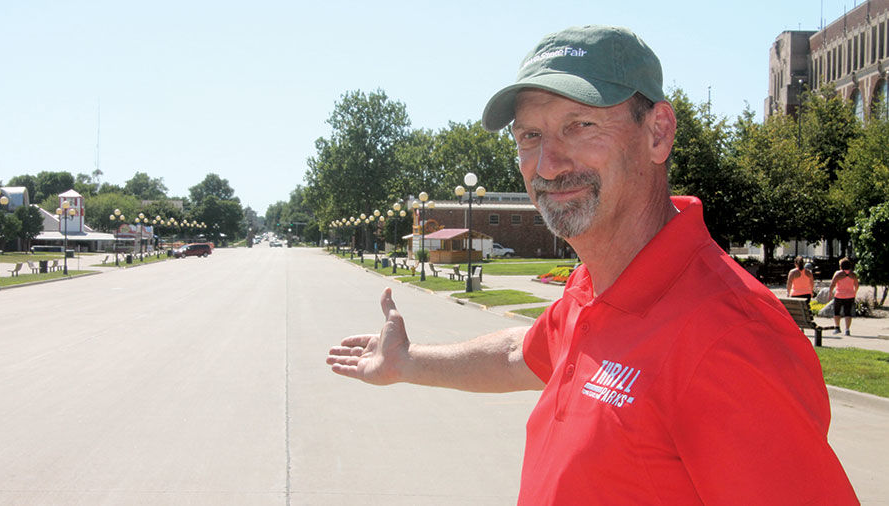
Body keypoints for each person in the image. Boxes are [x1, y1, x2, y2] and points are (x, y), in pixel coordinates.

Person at [327, 25, 857, 504]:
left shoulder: (729, 337)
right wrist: (408, 362)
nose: (548, 163)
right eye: (529, 136)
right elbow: (520, 354)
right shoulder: (594, 287)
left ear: (658, 133)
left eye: (579, 125)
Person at [830, 257, 860, 336]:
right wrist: (855, 292)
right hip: (850, 295)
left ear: (841, 266)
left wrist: (830, 293)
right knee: (848, 313)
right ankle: (847, 329)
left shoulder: (838, 274)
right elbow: (856, 285)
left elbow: (832, 284)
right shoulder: (853, 274)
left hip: (839, 295)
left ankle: (837, 327)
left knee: (837, 312)